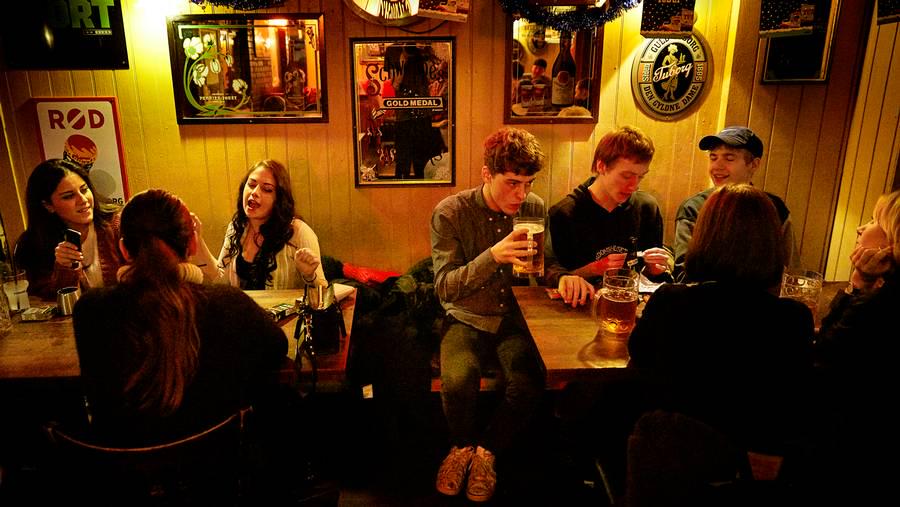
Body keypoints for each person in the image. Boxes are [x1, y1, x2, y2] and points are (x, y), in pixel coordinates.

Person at [72, 188, 287, 446]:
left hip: (124, 477)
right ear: (192, 244)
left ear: (124, 250)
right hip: (216, 473)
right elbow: (277, 349)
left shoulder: (90, 310)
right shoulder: (228, 303)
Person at [430, 127, 547, 502]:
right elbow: (445, 287)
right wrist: (492, 256)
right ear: (486, 175)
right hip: (465, 316)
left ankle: (485, 454)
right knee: (459, 378)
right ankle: (460, 448)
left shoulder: (535, 209)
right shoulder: (451, 212)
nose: (521, 194)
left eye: (528, 183)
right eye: (512, 182)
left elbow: (547, 268)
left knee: (528, 383)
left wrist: (562, 277)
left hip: (515, 318)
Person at [813, 189, 899, 503]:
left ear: (894, 240)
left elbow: (825, 356)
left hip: (856, 447)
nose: (862, 227)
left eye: (875, 220)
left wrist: (858, 287)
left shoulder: (882, 303)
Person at [545, 125, 673, 307]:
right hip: (576, 310)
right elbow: (551, 276)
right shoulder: (564, 213)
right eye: (626, 176)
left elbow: (649, 278)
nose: (633, 186)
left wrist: (654, 269)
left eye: (640, 177)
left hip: (629, 309)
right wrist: (594, 269)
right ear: (601, 166)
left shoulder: (647, 208)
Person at [673, 126, 798, 280]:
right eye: (713, 157)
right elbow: (683, 275)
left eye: (729, 158)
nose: (717, 166)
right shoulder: (694, 207)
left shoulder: (774, 207)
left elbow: (790, 272)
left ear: (754, 164)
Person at [196, 159, 325, 289]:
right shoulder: (237, 226)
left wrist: (309, 276)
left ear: (278, 199)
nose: (255, 192)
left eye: (267, 189)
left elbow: (324, 294)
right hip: (245, 309)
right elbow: (221, 279)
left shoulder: (299, 232)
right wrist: (197, 240)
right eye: (251, 185)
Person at [14, 158, 124, 300]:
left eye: (84, 190)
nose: (83, 200)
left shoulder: (118, 224)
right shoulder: (33, 245)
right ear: (48, 205)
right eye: (69, 196)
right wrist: (64, 269)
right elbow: (48, 303)